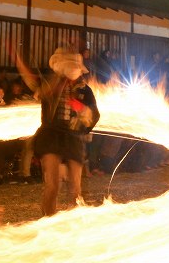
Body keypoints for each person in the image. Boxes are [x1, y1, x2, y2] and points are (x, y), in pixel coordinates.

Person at [15, 47, 100, 216]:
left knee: (75, 188)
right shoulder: (50, 85)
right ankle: (49, 218)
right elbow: (31, 81)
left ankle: (71, 220)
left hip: (73, 137)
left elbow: (94, 115)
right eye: (69, 66)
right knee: (52, 185)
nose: (73, 69)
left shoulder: (85, 90)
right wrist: (20, 62)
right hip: (51, 135)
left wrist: (80, 108)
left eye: (75, 66)